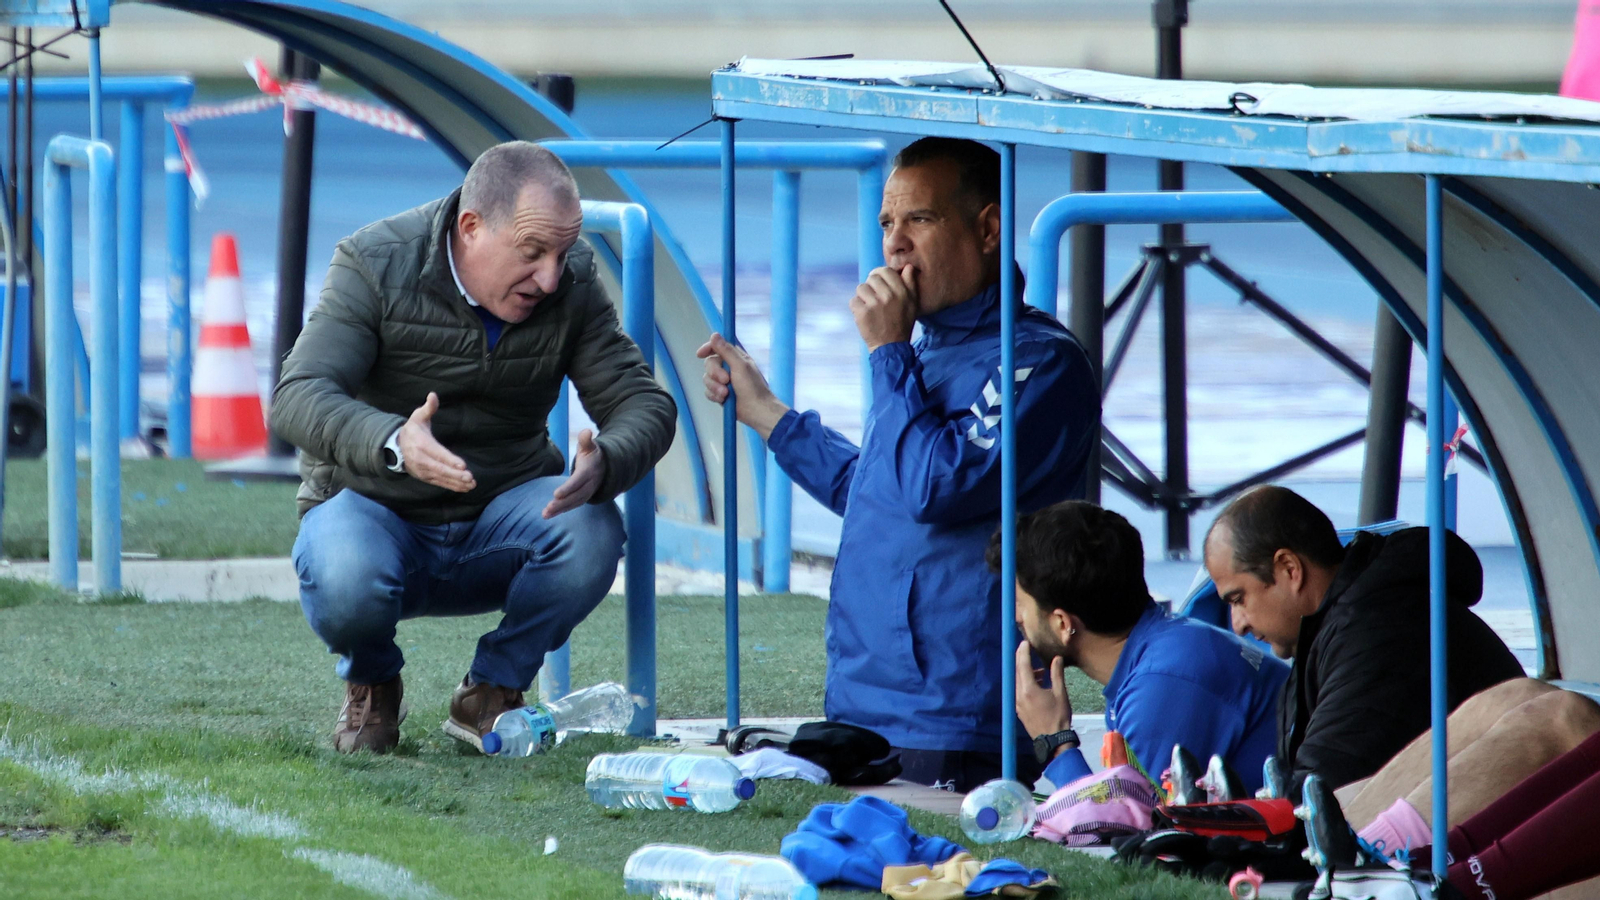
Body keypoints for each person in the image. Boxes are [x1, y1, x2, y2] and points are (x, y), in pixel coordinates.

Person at [700, 137, 1098, 791]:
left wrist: (889, 353)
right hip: (864, 710)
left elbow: (936, 488)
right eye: (887, 223)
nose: (895, 243)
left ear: (988, 228)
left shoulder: (1037, 361)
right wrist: (769, 414)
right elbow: (879, 489)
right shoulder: (925, 353)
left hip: (958, 723)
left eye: (920, 219)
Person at [272, 141, 676, 754]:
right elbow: (297, 395)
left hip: (501, 520)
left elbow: (646, 404)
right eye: (533, 252)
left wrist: (608, 460)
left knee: (593, 527)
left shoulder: (573, 282)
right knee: (345, 571)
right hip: (376, 509)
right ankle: (374, 681)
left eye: (562, 253)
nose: (549, 276)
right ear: (471, 226)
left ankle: (493, 689)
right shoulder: (374, 261)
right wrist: (393, 441)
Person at [1201, 485, 1523, 798]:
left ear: (1289, 569)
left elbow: (1322, 798)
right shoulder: (1338, 628)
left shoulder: (1380, 630)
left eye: (1238, 599)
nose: (1238, 624)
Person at [999, 501, 1289, 794]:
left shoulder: (1164, 682)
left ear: (1063, 624)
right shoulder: (1162, 653)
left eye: (1020, 604)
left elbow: (1132, 829)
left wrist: (1054, 740)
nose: (1016, 617)